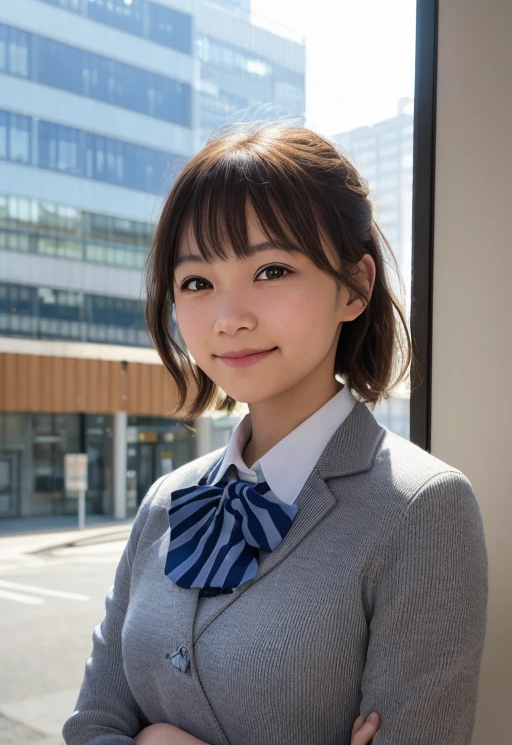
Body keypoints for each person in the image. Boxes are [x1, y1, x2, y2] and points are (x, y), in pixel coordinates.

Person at [62, 123, 488, 745]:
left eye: (272, 270)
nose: (230, 318)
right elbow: (91, 726)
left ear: (356, 287)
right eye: (197, 282)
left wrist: (159, 739)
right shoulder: (165, 501)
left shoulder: (424, 509)